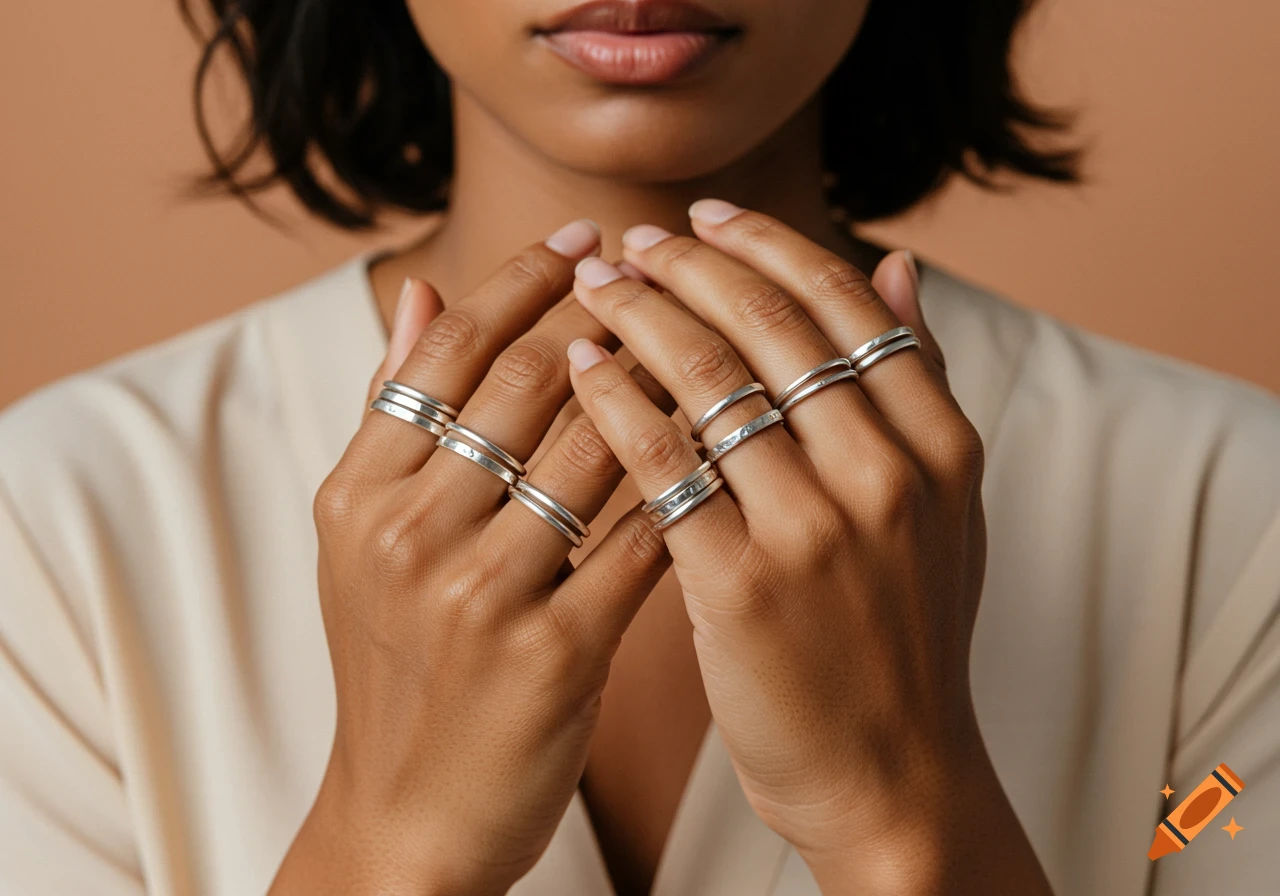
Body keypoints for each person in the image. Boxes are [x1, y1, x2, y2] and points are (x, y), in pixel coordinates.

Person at [0, 0, 1276, 893]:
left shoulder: (1235, 517)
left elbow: (1197, 825)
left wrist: (901, 821)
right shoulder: (55, 522)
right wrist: (393, 842)